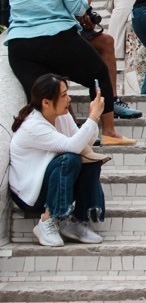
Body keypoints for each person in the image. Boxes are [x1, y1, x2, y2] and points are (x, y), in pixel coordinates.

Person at [5, 0, 135, 147]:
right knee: (99, 74)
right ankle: (109, 131)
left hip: (19, 46)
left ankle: (63, 140)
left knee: (44, 95)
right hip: (56, 39)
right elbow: (77, 8)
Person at [9, 74, 107, 247]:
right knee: (69, 160)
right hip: (30, 194)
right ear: (46, 102)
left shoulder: (62, 115)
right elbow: (74, 146)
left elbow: (84, 142)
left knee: (89, 162)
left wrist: (95, 118)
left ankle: (77, 221)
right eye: (63, 96)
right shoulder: (33, 126)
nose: (68, 99)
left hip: (51, 184)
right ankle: (48, 220)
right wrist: (93, 116)